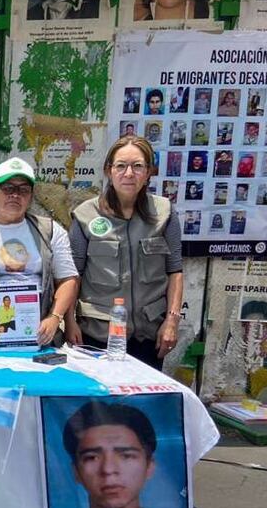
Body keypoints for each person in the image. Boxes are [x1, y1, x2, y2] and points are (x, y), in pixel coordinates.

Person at [66, 136, 184, 369]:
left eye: (137, 166)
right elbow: (72, 275)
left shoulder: (164, 213)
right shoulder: (85, 215)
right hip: (98, 334)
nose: (129, 173)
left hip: (149, 334)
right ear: (108, 170)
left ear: (149, 171)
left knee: (140, 404)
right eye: (121, 166)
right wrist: (69, 321)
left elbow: (175, 271)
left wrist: (171, 322)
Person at [0, 158, 78, 347]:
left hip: (40, 339)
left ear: (31, 196)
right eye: (8, 188)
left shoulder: (51, 231)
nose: (15, 195)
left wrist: (54, 318)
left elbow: (68, 280)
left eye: (23, 190)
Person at [51, 400, 188, 508]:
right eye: (92, 457)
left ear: (149, 466)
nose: (108, 469)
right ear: (76, 471)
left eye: (126, 456)